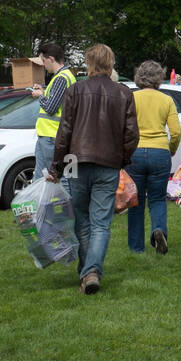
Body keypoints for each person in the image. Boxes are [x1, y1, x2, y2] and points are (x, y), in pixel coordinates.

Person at [49, 44, 138, 295]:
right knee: (101, 223)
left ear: (89, 64)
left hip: (76, 163)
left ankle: (89, 271)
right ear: (110, 64)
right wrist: (123, 160)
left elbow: (64, 132)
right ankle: (91, 271)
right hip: (108, 163)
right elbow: (131, 135)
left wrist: (56, 166)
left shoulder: (76, 90)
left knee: (82, 220)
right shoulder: (123, 93)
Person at [127, 60, 181, 255]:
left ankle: (136, 246)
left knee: (136, 201)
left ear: (138, 76)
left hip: (135, 152)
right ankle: (159, 230)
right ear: (159, 78)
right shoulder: (166, 100)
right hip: (160, 152)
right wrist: (171, 149)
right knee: (157, 198)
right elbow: (175, 132)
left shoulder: (131, 98)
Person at [31, 42, 77, 182]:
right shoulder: (64, 76)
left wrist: (40, 95)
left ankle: (65, 204)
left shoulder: (61, 78)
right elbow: (59, 103)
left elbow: (51, 108)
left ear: (51, 59)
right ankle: (44, 203)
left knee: (59, 177)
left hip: (52, 136)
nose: (43, 65)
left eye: (44, 61)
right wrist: (44, 92)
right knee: (42, 177)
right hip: (50, 136)